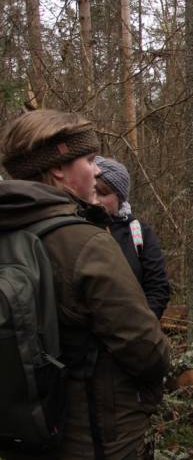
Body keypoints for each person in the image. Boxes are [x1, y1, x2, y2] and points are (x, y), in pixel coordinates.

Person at [0, 110, 171, 460]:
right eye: (90, 159)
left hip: (21, 427)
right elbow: (145, 350)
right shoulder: (85, 242)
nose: (97, 169)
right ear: (58, 168)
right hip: (97, 435)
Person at [95, 156, 170, 319]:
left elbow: (157, 286)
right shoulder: (75, 228)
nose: (95, 200)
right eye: (92, 191)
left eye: (102, 193)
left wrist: (144, 325)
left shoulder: (139, 232)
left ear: (120, 197)